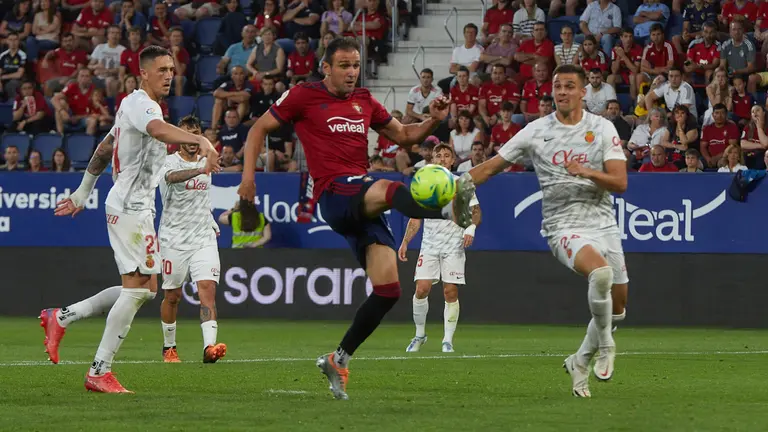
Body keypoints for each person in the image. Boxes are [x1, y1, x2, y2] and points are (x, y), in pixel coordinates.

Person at [237, 37, 475, 400]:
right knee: (387, 186)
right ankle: (445, 210)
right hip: (335, 193)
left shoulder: (364, 101)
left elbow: (407, 137)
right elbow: (258, 129)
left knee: (389, 290)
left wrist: (434, 120)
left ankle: (339, 359)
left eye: (356, 65)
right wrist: (248, 178)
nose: (352, 72)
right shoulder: (303, 95)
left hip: (360, 202)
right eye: (344, 66)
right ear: (326, 68)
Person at [43, 45, 220, 393]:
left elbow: (106, 147)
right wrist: (200, 139)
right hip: (131, 209)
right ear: (144, 73)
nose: (169, 75)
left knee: (145, 289)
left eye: (172, 68)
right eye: (162, 69)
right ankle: (99, 370)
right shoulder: (143, 106)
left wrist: (82, 191)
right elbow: (159, 130)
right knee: (139, 292)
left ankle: (61, 317)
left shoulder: (128, 104)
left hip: (133, 208)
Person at [461, 64, 628, 398]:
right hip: (562, 225)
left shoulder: (602, 127)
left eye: (569, 85)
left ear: (584, 92)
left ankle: (579, 360)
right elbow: (492, 166)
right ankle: (607, 346)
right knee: (601, 275)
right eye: (557, 86)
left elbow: (620, 183)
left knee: (619, 308)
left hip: (604, 223)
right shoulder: (536, 131)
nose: (562, 91)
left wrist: (587, 172)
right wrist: (454, 186)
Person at [399, 144, 481, 353]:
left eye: (447, 156)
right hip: (430, 246)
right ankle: (419, 335)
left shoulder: (462, 183)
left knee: (450, 291)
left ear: (453, 160)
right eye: (439, 156)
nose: (443, 159)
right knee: (421, 289)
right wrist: (405, 242)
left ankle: (447, 340)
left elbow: (476, 211)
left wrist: (470, 228)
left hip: (454, 245)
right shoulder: (425, 183)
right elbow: (415, 218)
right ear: (432, 160)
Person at [158, 115, 225, 364]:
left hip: (203, 237)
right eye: (188, 134)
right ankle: (169, 347)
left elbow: (203, 199)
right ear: (178, 138)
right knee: (172, 296)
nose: (193, 139)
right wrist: (200, 169)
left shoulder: (207, 160)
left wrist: (210, 219)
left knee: (207, 289)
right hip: (173, 238)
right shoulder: (167, 162)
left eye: (197, 133)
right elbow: (170, 178)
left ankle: (209, 347)